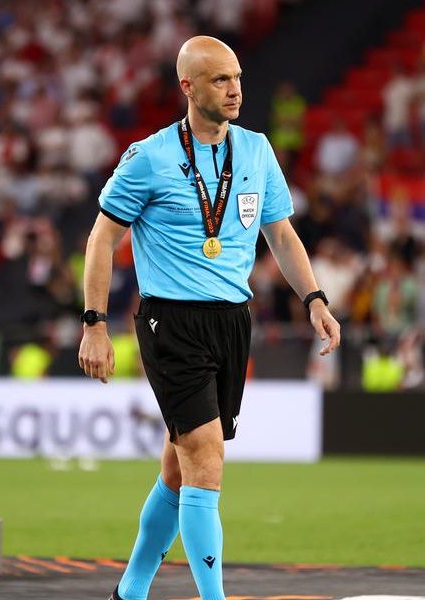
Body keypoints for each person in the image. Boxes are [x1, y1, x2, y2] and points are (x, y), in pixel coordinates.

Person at [79, 36, 342, 600]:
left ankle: (129, 592)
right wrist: (94, 323)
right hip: (170, 324)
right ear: (188, 87)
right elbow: (102, 239)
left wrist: (315, 299)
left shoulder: (257, 150)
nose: (235, 89)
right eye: (221, 79)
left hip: (231, 323)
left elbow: (280, 233)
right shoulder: (147, 157)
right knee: (206, 462)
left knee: (178, 469)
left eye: (238, 77)